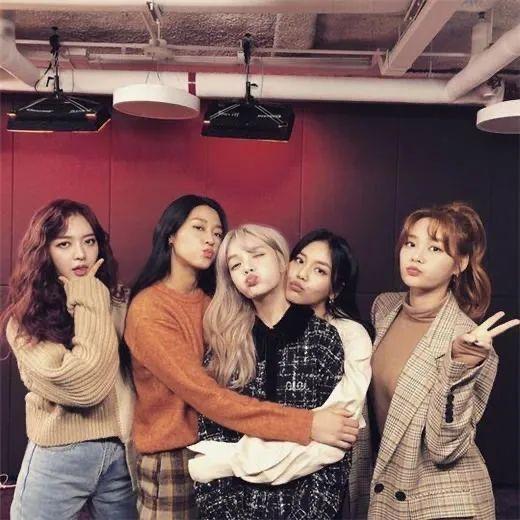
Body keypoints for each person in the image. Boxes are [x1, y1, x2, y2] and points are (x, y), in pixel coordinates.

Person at [123, 197, 358, 519]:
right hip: (176, 456)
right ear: (171, 234)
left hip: (256, 477)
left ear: (282, 261)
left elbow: (336, 442)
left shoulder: (218, 312)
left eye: (217, 232)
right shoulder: (160, 312)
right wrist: (307, 424)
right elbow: (208, 400)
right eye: (199, 228)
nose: (210, 239)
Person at [351, 202, 519, 519]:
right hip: (387, 486)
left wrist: (460, 366)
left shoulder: (470, 342)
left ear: (460, 264)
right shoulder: (384, 308)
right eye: (411, 244)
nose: (416, 256)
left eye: (435, 249)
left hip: (440, 501)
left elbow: (444, 448)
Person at [189, 229, 373, 493]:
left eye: (319, 270)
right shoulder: (238, 337)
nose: (302, 274)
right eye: (299, 260)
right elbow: (221, 417)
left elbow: (334, 434)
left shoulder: (343, 336)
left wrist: (228, 462)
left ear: (335, 288)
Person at [2, 199, 137, 520]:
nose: (81, 254)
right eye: (64, 244)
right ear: (44, 252)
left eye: (89, 241)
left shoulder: (120, 302)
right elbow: (85, 387)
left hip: (122, 452)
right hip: (61, 453)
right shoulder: (24, 321)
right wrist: (88, 294)